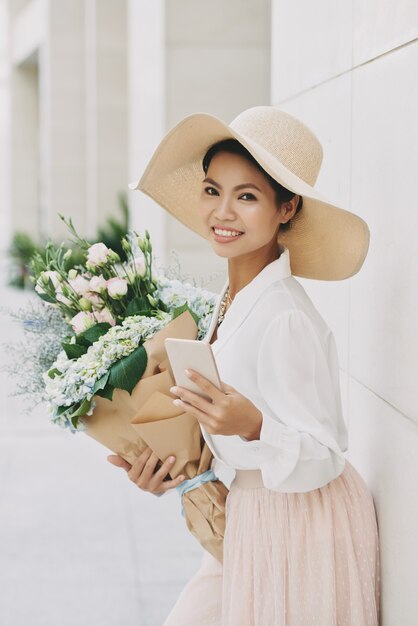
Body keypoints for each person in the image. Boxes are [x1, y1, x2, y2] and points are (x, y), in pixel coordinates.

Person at [108, 106, 381, 625]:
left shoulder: (285, 318)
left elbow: (325, 457)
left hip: (301, 523)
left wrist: (253, 425)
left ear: (287, 208)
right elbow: (220, 428)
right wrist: (168, 466)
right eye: (213, 191)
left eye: (247, 196)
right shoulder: (233, 299)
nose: (223, 212)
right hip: (252, 515)